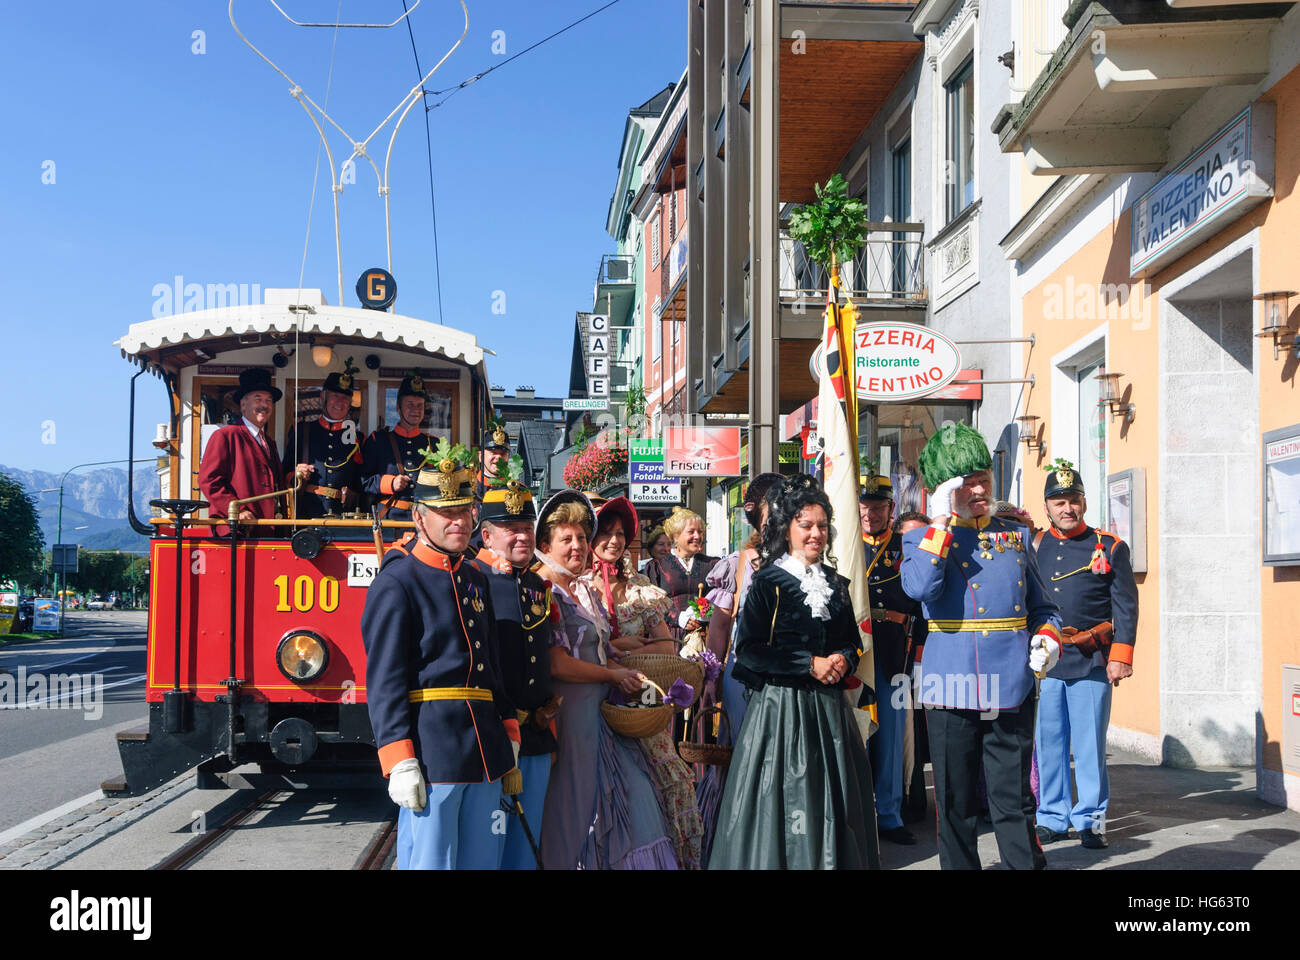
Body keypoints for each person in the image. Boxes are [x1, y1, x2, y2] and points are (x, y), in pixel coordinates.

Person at [899, 423, 1061, 870]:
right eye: (964, 481)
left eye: (982, 478)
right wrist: (939, 523)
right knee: (954, 803)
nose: (977, 489)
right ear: (943, 488)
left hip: (1009, 682)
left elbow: (1044, 606)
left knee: (1012, 799)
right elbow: (919, 588)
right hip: (951, 685)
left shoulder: (1014, 535)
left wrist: (1048, 637)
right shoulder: (921, 539)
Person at [361, 447, 521, 870]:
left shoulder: (475, 577)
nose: (460, 521)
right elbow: (385, 679)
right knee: (434, 863)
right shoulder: (397, 582)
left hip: (486, 747)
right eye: (445, 512)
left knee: (484, 861)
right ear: (419, 518)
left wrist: (508, 727)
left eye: (464, 511)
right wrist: (399, 757)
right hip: (434, 752)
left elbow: (490, 664)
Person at [709, 475, 881, 869]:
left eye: (822, 526)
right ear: (787, 530)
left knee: (831, 801)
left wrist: (842, 659)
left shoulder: (836, 584)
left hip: (830, 715)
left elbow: (850, 642)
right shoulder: (768, 582)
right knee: (785, 801)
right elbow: (748, 651)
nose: (816, 534)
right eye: (806, 526)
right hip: (781, 713)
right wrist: (808, 664)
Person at [535, 490, 677, 870]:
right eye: (567, 539)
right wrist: (612, 672)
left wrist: (617, 649)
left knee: (635, 796)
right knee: (575, 808)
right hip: (571, 717)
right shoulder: (544, 591)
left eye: (582, 537)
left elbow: (591, 645)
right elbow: (557, 663)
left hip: (599, 712)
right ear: (545, 544)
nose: (578, 546)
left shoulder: (579, 589)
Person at [582, 496, 703, 869]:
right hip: (590, 709)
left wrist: (642, 650)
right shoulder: (572, 588)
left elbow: (666, 648)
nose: (615, 541)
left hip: (642, 710)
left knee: (663, 788)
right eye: (606, 532)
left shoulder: (641, 591)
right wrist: (616, 646)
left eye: (620, 533)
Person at [1032, 459, 1137, 850]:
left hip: (1091, 658)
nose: (1067, 508)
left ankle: (1091, 819)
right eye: (1058, 502)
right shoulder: (1037, 544)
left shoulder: (1109, 546)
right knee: (1049, 741)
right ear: (1047, 507)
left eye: (1073, 500)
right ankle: (1053, 817)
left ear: (1085, 503)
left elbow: (1126, 605)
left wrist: (1120, 656)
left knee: (1089, 744)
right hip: (1047, 661)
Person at [467, 460, 560, 870]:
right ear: (486, 535)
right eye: (511, 528)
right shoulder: (473, 580)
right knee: (490, 843)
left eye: (526, 526)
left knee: (528, 840)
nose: (522, 534)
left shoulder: (537, 585)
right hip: (492, 738)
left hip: (535, 735)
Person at [859, 474, 922, 846]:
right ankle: (860, 812)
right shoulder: (846, 547)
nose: (870, 515)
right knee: (859, 733)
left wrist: (919, 653)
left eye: (878, 508)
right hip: (859, 649)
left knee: (892, 736)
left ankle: (890, 814)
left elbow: (921, 602)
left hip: (895, 648)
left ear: (891, 510)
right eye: (865, 508)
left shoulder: (906, 546)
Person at [197, 368, 286, 533]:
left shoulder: (269, 443)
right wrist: (238, 510)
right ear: (243, 404)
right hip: (237, 533)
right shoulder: (225, 436)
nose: (264, 405)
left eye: (268, 400)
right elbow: (208, 480)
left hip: (267, 532)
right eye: (258, 399)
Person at [284, 365, 364, 519]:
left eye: (345, 398)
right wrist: (296, 474)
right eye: (335, 396)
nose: (340, 402)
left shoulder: (358, 437)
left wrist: (353, 491)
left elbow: (363, 479)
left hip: (344, 515)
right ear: (323, 396)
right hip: (308, 511)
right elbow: (284, 472)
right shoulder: (301, 431)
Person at [895, 510, 931, 822]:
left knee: (926, 732)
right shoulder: (897, 564)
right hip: (903, 656)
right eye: (910, 537)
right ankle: (908, 797)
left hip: (934, 658)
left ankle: (918, 797)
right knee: (907, 731)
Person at [361, 372, 431, 522]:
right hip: (390, 518)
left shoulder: (434, 444)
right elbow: (363, 481)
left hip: (425, 520)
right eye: (410, 404)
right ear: (398, 408)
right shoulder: (378, 440)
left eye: (420, 405)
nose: (416, 410)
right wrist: (390, 483)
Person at [645, 506, 718, 642]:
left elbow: (721, 600)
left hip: (704, 639)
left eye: (700, 532)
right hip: (669, 639)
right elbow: (650, 604)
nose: (697, 536)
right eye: (691, 532)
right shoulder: (657, 567)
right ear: (676, 536)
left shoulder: (712, 565)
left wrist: (707, 613)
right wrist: (677, 617)